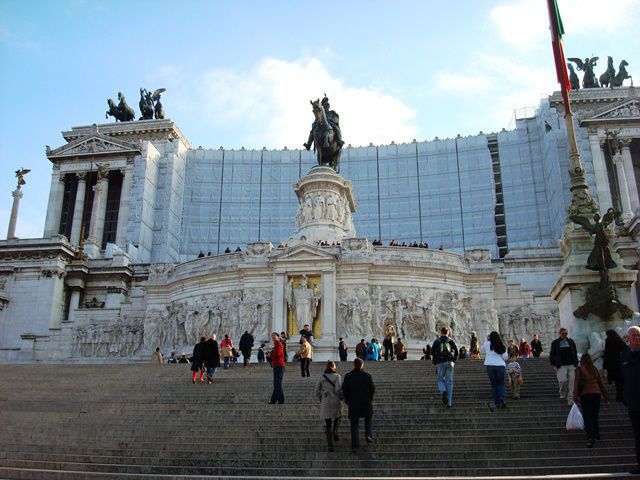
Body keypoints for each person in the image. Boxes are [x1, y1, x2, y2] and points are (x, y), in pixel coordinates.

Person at [574, 352, 609, 448]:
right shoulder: (594, 369)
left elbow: (576, 384)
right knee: (594, 414)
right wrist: (606, 396)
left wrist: (575, 397)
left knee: (588, 416)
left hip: (585, 395)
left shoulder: (580, 369)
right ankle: (597, 433)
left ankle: (590, 436)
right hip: (596, 394)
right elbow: (601, 383)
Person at [342, 358, 375, 453]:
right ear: (362, 365)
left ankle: (355, 446)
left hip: (353, 402)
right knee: (368, 418)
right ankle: (368, 434)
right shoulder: (367, 376)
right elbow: (372, 388)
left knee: (354, 424)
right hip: (366, 401)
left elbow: (344, 390)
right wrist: (370, 397)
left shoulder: (348, 376)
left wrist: (347, 399)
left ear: (354, 365)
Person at [621, 325, 640, 474]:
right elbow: (622, 379)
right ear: (628, 338)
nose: (636, 338)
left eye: (638, 335)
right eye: (634, 336)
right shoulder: (624, 356)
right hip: (634, 402)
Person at [314, 360, 343, 452]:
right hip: (335, 400)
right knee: (338, 416)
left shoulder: (321, 377)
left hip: (326, 400)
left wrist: (321, 399)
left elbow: (316, 391)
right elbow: (338, 389)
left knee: (328, 423)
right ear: (334, 367)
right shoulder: (337, 376)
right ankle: (335, 431)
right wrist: (341, 397)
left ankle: (330, 444)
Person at [549, 328, 579, 406]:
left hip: (571, 364)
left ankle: (570, 399)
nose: (564, 335)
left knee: (572, 382)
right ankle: (562, 394)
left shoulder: (571, 342)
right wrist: (552, 363)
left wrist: (576, 363)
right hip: (561, 365)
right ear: (560, 334)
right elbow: (552, 353)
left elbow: (574, 352)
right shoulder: (555, 342)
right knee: (563, 380)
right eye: (563, 333)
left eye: (566, 333)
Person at [432, 327, 459, 408]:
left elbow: (432, 352)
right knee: (449, 382)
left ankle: (443, 391)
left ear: (441, 332)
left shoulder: (437, 341)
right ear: (448, 333)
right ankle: (449, 402)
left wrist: (436, 360)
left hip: (440, 362)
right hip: (450, 362)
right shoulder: (450, 340)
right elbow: (456, 351)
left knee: (440, 379)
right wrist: (453, 360)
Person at [481, 331, 509, 410]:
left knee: (494, 385)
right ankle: (501, 398)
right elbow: (505, 357)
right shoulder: (501, 344)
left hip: (490, 365)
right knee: (501, 384)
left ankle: (497, 402)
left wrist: (487, 340)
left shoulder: (487, 343)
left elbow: (482, 350)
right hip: (500, 365)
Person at [603, 329, 628, 402]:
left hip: (613, 366)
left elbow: (606, 354)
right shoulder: (619, 341)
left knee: (617, 382)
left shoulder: (608, 342)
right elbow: (625, 349)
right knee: (621, 381)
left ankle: (619, 395)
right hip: (620, 364)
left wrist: (605, 366)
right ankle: (621, 395)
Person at [268, 332, 286, 404]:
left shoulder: (278, 344)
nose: (273, 338)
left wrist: (271, 355)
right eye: (272, 336)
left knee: (277, 383)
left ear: (278, 337)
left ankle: (281, 400)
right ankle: (273, 400)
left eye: (274, 336)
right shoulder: (277, 344)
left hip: (279, 365)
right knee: (276, 384)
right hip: (277, 365)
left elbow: (278, 354)